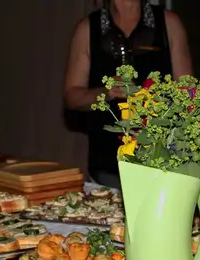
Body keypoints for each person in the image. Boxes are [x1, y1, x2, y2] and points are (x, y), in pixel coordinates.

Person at [64, 0, 193, 187]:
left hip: (163, 164)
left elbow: (188, 93)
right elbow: (72, 96)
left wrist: (153, 100)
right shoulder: (88, 28)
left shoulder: (169, 23)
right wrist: (105, 93)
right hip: (108, 166)